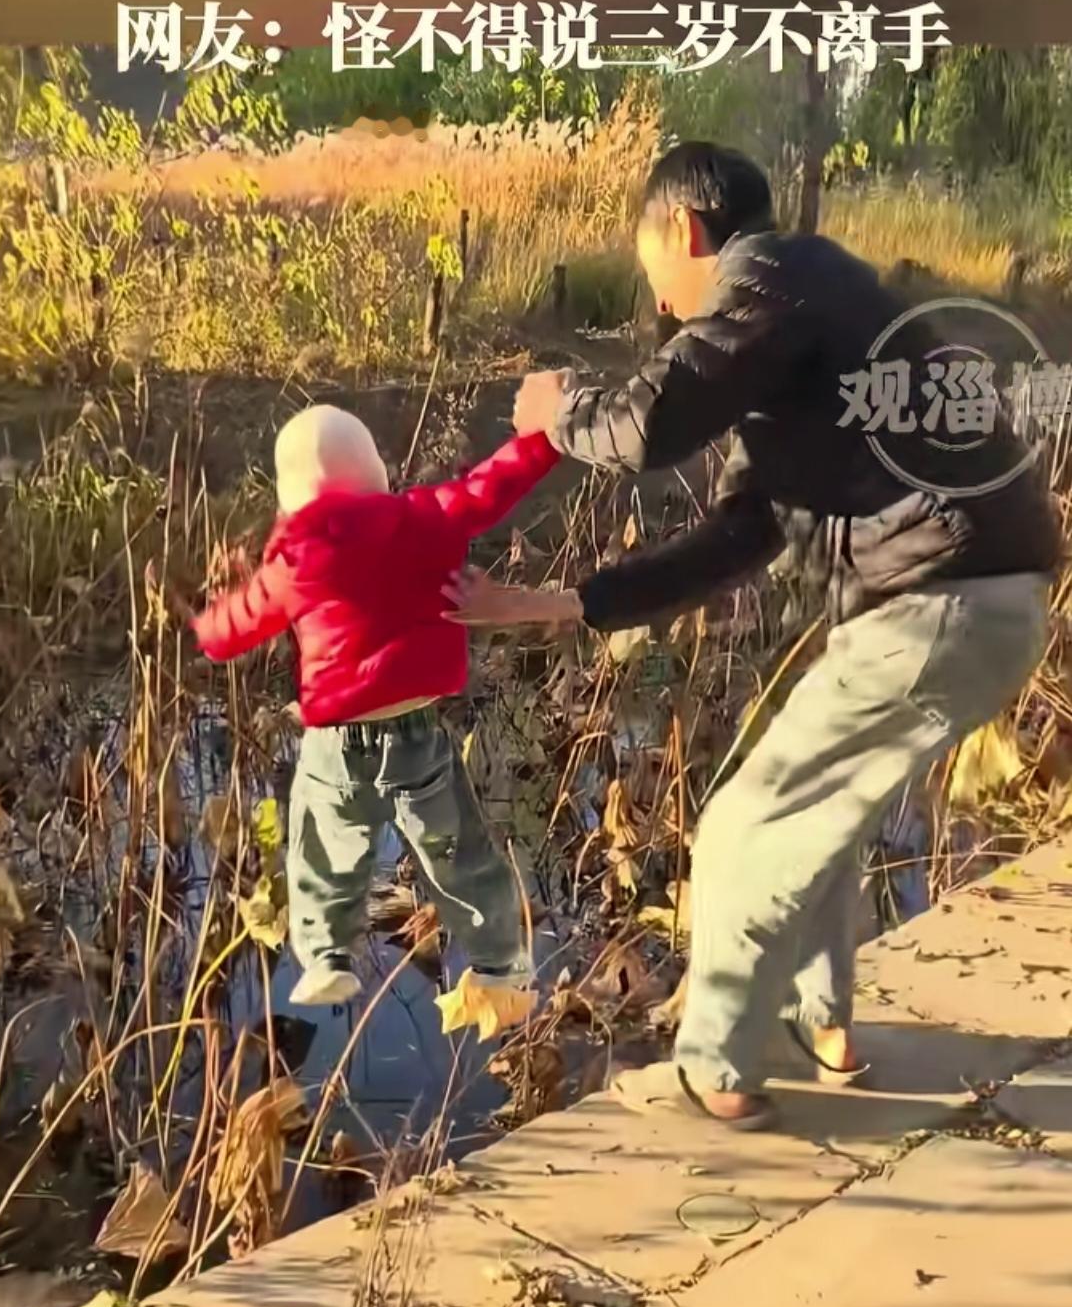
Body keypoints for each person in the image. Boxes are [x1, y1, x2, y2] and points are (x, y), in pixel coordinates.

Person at [449, 141, 1061, 1129]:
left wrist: (560, 412)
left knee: (741, 827)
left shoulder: (777, 274)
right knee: (815, 816)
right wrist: (555, 606)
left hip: (939, 600)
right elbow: (739, 536)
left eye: (661, 288)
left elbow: (647, 427)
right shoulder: (824, 326)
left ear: (684, 233)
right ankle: (829, 1029)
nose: (662, 316)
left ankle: (718, 1071)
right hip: (984, 604)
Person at [190, 403, 559, 1025]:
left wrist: (205, 624)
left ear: (290, 498)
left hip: (335, 742)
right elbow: (488, 488)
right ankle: (501, 961)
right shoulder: (425, 515)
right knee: (458, 851)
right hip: (417, 731)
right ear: (379, 472)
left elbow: (233, 629)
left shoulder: (294, 559)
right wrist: (543, 439)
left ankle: (326, 955)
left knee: (323, 849)